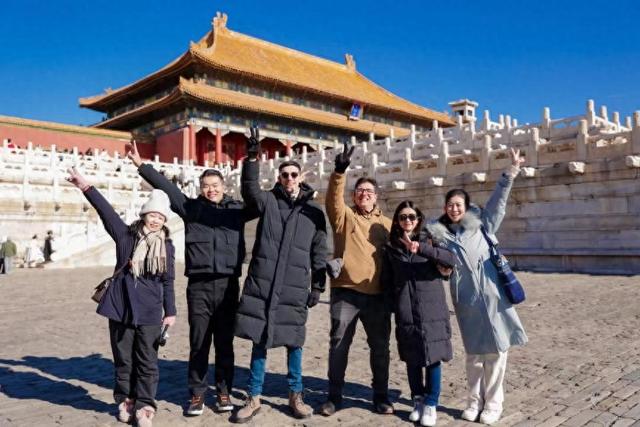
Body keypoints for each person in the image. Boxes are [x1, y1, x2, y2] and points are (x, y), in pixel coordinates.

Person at [128, 141, 256, 416]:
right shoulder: (190, 208)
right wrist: (142, 165)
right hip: (198, 286)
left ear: (224, 186)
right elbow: (167, 187)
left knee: (225, 343)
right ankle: (197, 394)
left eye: (215, 185)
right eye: (206, 186)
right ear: (200, 188)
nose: (211, 190)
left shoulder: (237, 210)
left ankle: (223, 391)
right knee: (199, 342)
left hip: (228, 286)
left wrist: (251, 161)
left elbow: (256, 197)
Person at [424, 148, 528, 425]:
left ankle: (493, 404)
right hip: (466, 298)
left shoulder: (483, 224)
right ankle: (473, 401)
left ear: (467, 206)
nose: (454, 209)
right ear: (445, 208)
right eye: (450, 205)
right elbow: (434, 264)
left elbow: (499, 202)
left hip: (493, 295)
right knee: (474, 354)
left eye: (459, 204)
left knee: (497, 351)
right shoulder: (439, 236)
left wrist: (510, 172)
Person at [66, 167, 177, 427]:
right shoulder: (125, 236)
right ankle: (126, 400)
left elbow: (168, 281)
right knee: (124, 360)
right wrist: (86, 187)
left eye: (160, 217)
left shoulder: (167, 246)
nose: (155, 220)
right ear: (144, 214)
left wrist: (170, 311)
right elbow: (106, 212)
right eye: (152, 214)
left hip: (150, 312)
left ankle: (146, 405)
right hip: (121, 308)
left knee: (148, 362)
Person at [232, 127, 328, 423]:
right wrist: (252, 158)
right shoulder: (268, 201)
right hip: (264, 283)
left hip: (294, 287)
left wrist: (318, 286)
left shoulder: (314, 212)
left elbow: (319, 252)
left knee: (294, 343)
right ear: (279, 178)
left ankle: (295, 395)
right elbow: (250, 190)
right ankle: (253, 396)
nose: (289, 178)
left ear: (301, 177)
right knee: (259, 341)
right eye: (284, 175)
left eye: (293, 174)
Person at [320, 141, 394, 416]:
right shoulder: (345, 218)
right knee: (339, 346)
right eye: (360, 191)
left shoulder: (387, 225)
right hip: (346, 292)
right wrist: (339, 173)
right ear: (354, 196)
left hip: (378, 296)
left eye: (369, 191)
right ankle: (334, 396)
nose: (364, 194)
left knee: (380, 348)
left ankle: (381, 396)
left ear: (376, 197)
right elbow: (333, 201)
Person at [381, 201, 456, 426]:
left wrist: (421, 248)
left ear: (418, 219)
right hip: (406, 310)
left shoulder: (430, 239)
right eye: (403, 217)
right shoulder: (391, 247)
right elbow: (387, 280)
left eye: (411, 217)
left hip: (431, 309)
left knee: (433, 358)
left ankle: (431, 403)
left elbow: (450, 259)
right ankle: (418, 400)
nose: (407, 221)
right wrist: (394, 305)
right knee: (412, 358)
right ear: (397, 221)